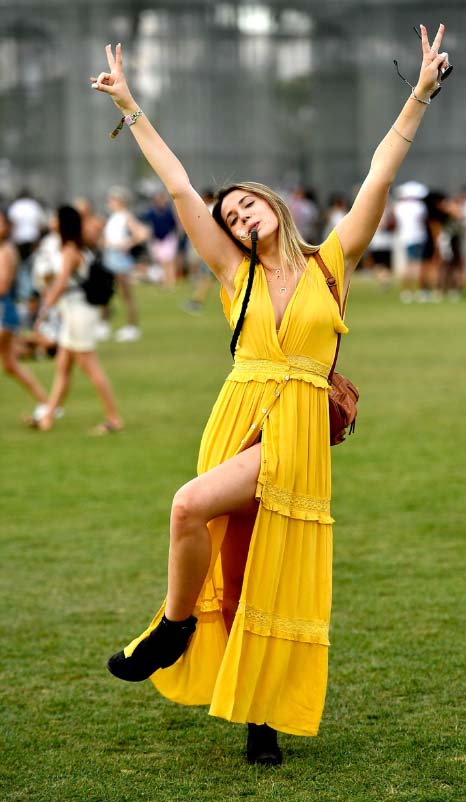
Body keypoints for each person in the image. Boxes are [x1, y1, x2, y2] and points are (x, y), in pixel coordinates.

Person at [91, 25, 449, 764]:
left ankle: (210, 663)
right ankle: (195, 644)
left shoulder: (332, 263)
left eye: (245, 207)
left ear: (273, 206)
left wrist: (417, 95)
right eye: (229, 218)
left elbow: (379, 176)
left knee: (244, 548)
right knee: (237, 558)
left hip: (298, 426)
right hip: (239, 415)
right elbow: (179, 187)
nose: (237, 218)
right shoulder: (233, 273)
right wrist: (131, 107)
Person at [34, 205, 123, 434]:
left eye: (56, 218)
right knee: (63, 367)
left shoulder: (70, 250)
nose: (52, 221)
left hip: (78, 313)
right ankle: (47, 417)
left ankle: (113, 418)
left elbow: (61, 283)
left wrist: (43, 311)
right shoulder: (73, 247)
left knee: (90, 367)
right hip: (75, 312)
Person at [0, 209, 49, 415]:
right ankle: (47, 403)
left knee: (11, 363)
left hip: (3, 311)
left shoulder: (6, 250)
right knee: (10, 365)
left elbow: (3, 285)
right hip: (7, 312)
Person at [103, 186, 147, 342]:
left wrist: (127, 243)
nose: (110, 202)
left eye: (113, 200)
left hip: (119, 258)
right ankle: (104, 324)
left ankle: (131, 327)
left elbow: (141, 234)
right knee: (107, 292)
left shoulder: (126, 216)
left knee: (125, 294)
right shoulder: (114, 216)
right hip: (110, 255)